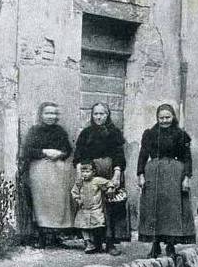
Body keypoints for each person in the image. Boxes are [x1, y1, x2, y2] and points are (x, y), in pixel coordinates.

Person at [137, 103, 196, 258]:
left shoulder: (180, 134)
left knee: (171, 211)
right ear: (157, 118)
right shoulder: (150, 134)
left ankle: (170, 246)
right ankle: (155, 246)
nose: (164, 121)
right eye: (161, 118)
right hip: (154, 175)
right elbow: (143, 155)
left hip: (174, 176)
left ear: (173, 117)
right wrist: (140, 174)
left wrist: (186, 178)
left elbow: (187, 158)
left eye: (167, 117)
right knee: (153, 209)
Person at [73, 102, 130, 255]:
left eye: (102, 114)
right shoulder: (86, 133)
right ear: (92, 116)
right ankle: (96, 242)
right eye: (96, 114)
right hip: (91, 173)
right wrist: (80, 173)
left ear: (107, 115)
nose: (99, 117)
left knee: (111, 206)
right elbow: (78, 155)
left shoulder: (114, 133)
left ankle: (111, 243)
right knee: (94, 206)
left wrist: (117, 175)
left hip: (110, 171)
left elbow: (119, 155)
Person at [21, 102, 73, 247]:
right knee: (41, 203)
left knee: (57, 203)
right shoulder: (34, 131)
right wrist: (44, 152)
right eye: (47, 113)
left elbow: (68, 150)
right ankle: (41, 237)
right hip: (40, 170)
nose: (51, 116)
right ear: (41, 114)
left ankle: (56, 236)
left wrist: (60, 153)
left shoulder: (60, 131)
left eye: (54, 114)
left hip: (57, 172)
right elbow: (27, 151)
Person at [71, 160, 114, 253]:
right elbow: (74, 191)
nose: (85, 174)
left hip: (95, 209)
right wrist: (78, 199)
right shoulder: (79, 182)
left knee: (97, 226)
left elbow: (109, 183)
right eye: (83, 172)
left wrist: (110, 188)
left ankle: (97, 243)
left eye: (87, 172)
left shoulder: (97, 180)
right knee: (84, 226)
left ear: (93, 172)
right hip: (83, 209)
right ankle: (88, 243)